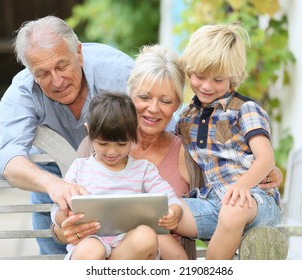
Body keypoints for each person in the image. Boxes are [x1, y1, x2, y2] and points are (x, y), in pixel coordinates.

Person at [52, 44, 282, 259]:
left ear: (177, 105)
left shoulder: (189, 146)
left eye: (165, 101)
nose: (153, 108)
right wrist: (64, 230)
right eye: (144, 97)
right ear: (130, 93)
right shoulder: (97, 144)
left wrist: (268, 172)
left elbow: (223, 182)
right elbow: (64, 211)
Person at [0, 15, 134, 255]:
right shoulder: (23, 91)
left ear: (79, 53)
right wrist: (52, 185)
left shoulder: (119, 72)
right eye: (42, 73)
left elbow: (159, 131)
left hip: (122, 177)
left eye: (62, 66)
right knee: (54, 259)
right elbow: (7, 158)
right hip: (53, 179)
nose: (56, 81)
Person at [173, 22, 282, 260]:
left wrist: (243, 185)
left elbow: (266, 158)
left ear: (233, 78)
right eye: (199, 76)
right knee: (164, 212)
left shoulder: (245, 110)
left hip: (254, 202)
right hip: (213, 204)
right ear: (189, 70)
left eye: (218, 80)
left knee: (233, 210)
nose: (207, 86)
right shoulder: (186, 118)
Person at [51, 92, 183, 260]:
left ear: (133, 133)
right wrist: (66, 217)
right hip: (90, 244)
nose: (112, 152)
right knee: (92, 249)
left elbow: (170, 198)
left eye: (121, 144)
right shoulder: (80, 167)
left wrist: (173, 213)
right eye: (103, 144)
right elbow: (56, 209)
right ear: (89, 130)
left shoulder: (143, 170)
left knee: (146, 235)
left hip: (129, 249)